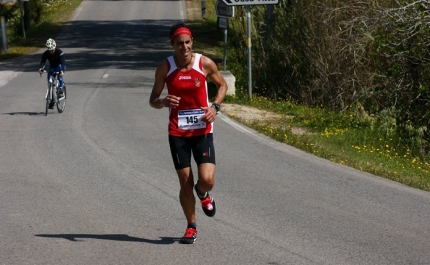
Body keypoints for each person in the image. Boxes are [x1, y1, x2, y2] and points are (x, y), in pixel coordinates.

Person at [149, 23, 228, 244]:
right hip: (177, 133)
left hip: (202, 130)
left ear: (191, 42)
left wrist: (215, 107)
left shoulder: (204, 63)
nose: (184, 47)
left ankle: (203, 194)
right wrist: (163, 102)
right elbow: (152, 99)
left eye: (187, 42)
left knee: (207, 179)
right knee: (185, 182)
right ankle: (191, 226)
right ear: (172, 44)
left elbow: (222, 86)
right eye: (179, 43)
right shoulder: (165, 68)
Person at [38, 38, 66, 109]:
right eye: (49, 50)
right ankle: (52, 100)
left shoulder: (59, 52)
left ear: (55, 47)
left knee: (60, 73)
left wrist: (62, 70)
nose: (51, 52)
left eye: (52, 50)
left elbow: (63, 62)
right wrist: (41, 68)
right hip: (52, 67)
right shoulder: (46, 54)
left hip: (59, 66)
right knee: (49, 81)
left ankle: (61, 88)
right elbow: (43, 62)